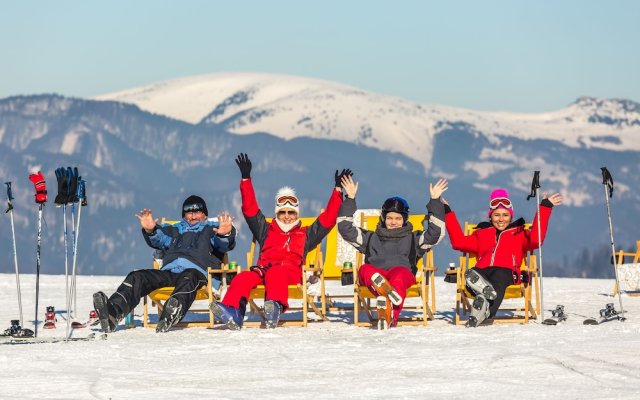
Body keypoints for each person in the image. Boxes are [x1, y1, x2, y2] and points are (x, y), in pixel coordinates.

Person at [210, 153, 349, 329]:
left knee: (276, 272)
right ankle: (233, 311)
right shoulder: (266, 229)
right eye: (282, 212)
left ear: (296, 214)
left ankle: (274, 307)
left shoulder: (305, 234)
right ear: (277, 213)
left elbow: (328, 220)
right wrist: (246, 180)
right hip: (263, 271)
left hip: (289, 274)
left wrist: (337, 191)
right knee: (244, 277)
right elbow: (250, 210)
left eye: (291, 213)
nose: (287, 216)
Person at [93, 195, 236, 333]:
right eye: (188, 212)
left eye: (197, 212)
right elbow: (160, 238)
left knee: (189, 276)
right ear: (183, 215)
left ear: (205, 214)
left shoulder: (212, 229)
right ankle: (113, 312)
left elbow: (222, 245)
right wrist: (151, 230)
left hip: (198, 273)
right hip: (170, 272)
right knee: (137, 276)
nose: (193, 216)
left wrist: (225, 234)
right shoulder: (174, 229)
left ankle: (173, 310)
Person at [337, 175, 448, 329]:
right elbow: (345, 229)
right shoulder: (371, 238)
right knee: (365, 269)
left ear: (404, 220)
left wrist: (435, 201)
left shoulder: (414, 239)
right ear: (383, 218)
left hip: (401, 274)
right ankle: (386, 302)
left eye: (398, 218)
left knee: (400, 274)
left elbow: (435, 234)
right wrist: (350, 198)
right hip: (376, 274)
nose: (393, 222)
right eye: (389, 218)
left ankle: (388, 301)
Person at [444, 187, 563, 327]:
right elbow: (458, 242)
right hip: (483, 271)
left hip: (507, 272)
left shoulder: (519, 233)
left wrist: (544, 207)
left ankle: (484, 302)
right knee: (474, 273)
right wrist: (447, 212)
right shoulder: (482, 234)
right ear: (490, 216)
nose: (501, 219)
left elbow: (536, 240)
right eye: (496, 215)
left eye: (505, 215)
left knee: (498, 276)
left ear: (511, 216)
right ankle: (483, 304)